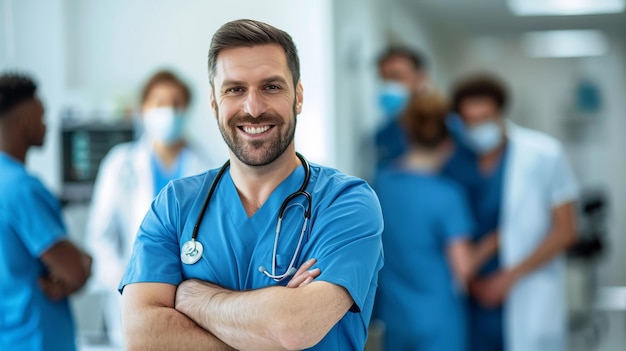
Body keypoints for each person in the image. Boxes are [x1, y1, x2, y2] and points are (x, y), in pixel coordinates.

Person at [119, 19, 384, 351]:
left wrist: (193, 297)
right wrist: (267, 324)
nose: (254, 108)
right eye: (235, 89)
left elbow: (293, 328)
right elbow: (142, 335)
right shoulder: (174, 204)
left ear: (297, 97)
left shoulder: (346, 202)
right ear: (215, 104)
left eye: (271, 87)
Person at [443, 74, 579, 351]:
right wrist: (471, 272)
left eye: (486, 118)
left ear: (500, 113)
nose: (479, 127)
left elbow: (566, 230)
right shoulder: (453, 162)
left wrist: (507, 278)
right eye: (471, 121)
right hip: (471, 294)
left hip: (524, 285)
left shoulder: (543, 154)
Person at [85, 69, 217, 346]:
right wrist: (121, 277)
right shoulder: (121, 164)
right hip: (130, 291)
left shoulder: (208, 168)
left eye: (176, 103)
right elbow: (100, 235)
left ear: (187, 109)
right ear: (143, 108)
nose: (168, 111)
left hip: (191, 297)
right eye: (159, 103)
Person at [373, 92, 498, 351]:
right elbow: (463, 268)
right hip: (439, 322)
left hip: (395, 318)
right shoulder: (448, 196)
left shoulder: (380, 184)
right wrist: (494, 242)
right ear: (450, 143)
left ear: (407, 134)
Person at [0, 72, 92, 350]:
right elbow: (75, 271)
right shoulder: (21, 188)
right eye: (41, 117)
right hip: (34, 339)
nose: (46, 125)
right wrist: (86, 262)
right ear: (25, 122)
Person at [374, 46, 428, 170]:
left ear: (419, 79)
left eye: (396, 78)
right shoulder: (383, 135)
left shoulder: (444, 128)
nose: (389, 86)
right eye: (384, 79)